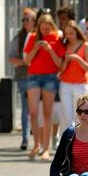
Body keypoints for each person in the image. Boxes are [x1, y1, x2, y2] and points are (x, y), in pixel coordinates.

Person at [23, 13, 65, 161]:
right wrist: (35, 48)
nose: (45, 31)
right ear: (39, 27)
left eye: (48, 28)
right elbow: (27, 60)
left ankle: (46, 149)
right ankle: (36, 144)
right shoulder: (33, 37)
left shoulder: (56, 38)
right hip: (33, 76)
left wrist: (50, 50)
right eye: (43, 28)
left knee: (47, 113)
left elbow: (60, 64)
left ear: (52, 27)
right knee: (33, 112)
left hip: (50, 77)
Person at [8, 8, 36, 150]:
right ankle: (25, 138)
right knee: (26, 108)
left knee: (38, 109)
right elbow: (11, 58)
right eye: (23, 19)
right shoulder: (18, 38)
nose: (25, 22)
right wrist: (25, 62)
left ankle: (40, 140)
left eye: (28, 19)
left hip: (39, 75)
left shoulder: (39, 36)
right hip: (24, 76)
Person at [58, 22, 88, 129]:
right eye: (66, 34)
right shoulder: (65, 45)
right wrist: (66, 61)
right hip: (65, 84)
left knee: (80, 116)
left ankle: (80, 141)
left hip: (81, 84)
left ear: (77, 32)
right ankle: (68, 141)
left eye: (71, 33)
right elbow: (62, 69)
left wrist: (77, 58)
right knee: (67, 116)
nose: (69, 36)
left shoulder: (85, 45)